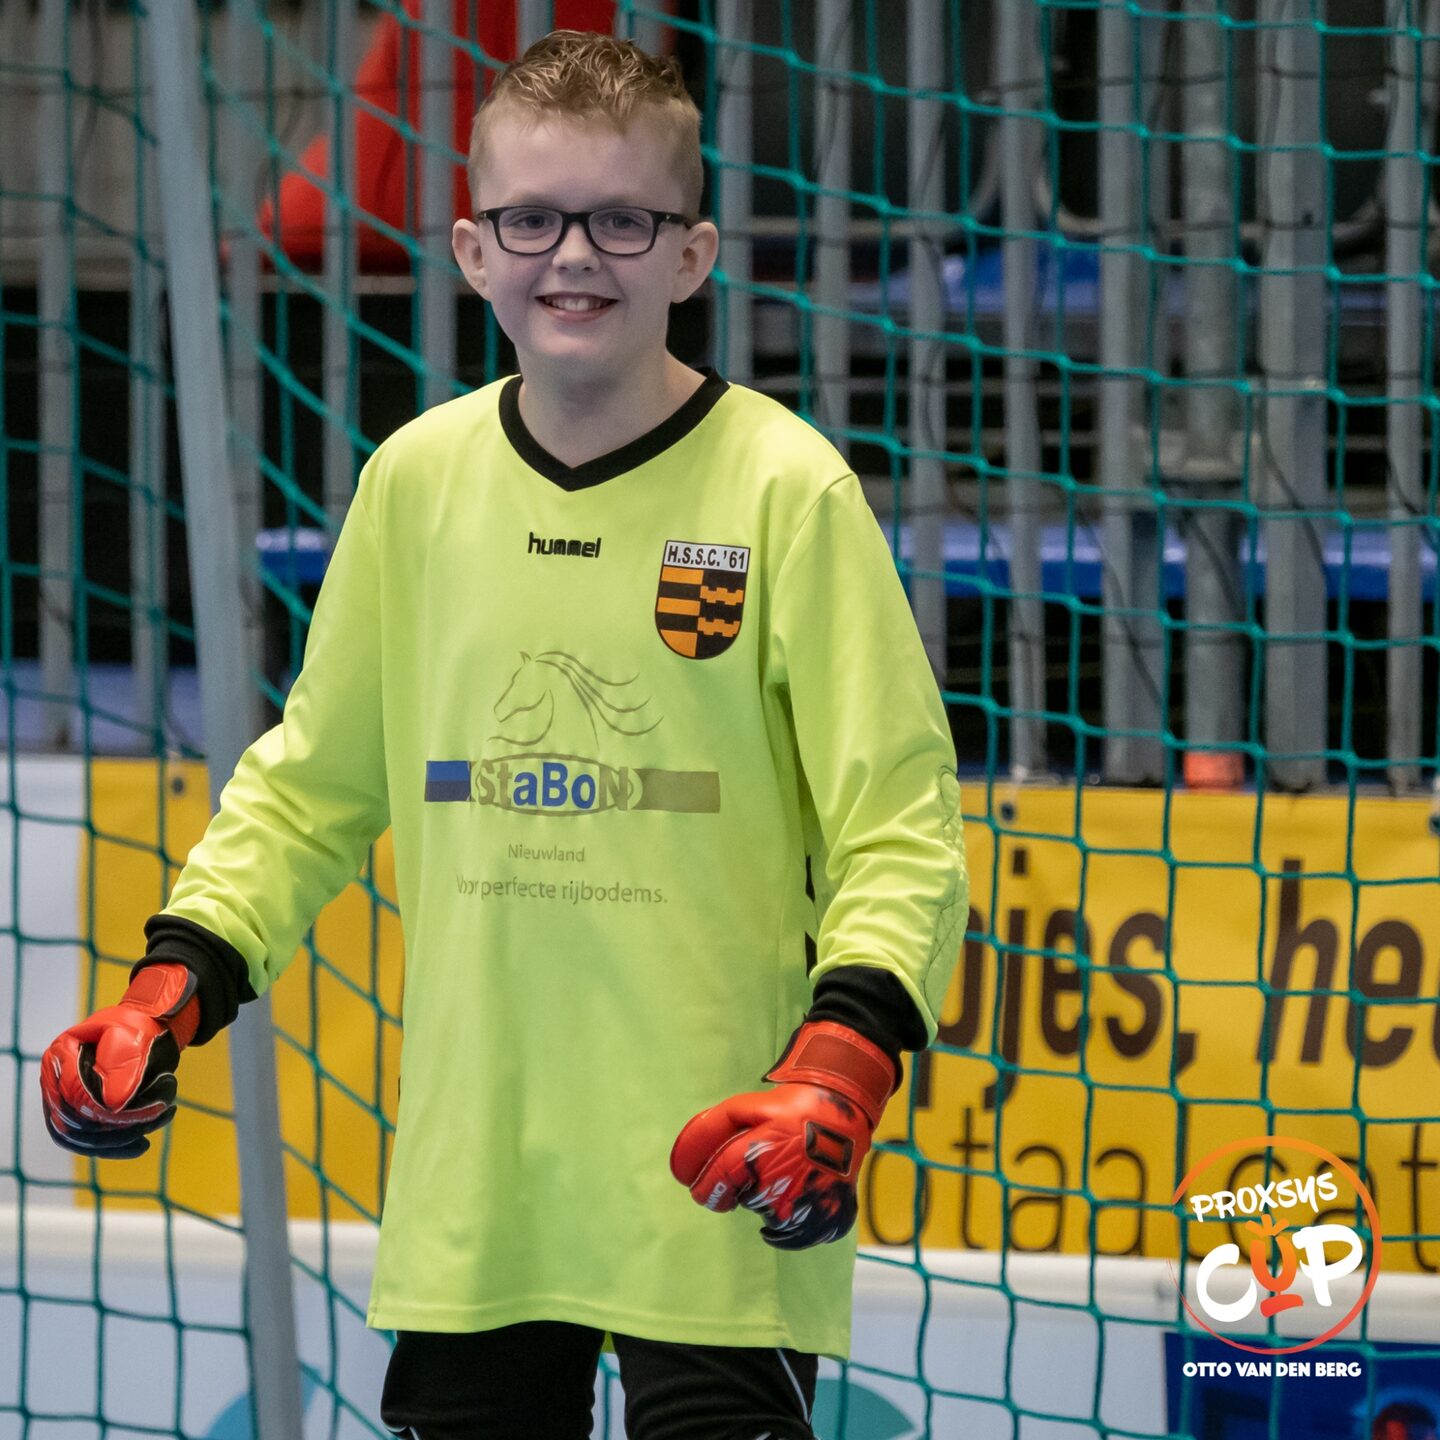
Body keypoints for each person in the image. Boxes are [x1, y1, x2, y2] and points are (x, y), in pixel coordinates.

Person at [40, 29, 967, 1440]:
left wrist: (842, 1063)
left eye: (621, 221)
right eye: (532, 219)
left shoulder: (790, 492)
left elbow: (898, 829)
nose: (573, 256)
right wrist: (173, 986)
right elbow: (306, 791)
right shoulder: (415, 484)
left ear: (693, 256)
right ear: (473, 252)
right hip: (478, 1191)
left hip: (727, 1175)